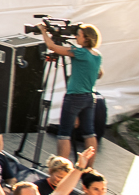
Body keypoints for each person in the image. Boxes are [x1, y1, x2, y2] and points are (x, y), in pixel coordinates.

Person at [37, 22, 101, 160]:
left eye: (78, 35)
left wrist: (43, 31)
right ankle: (89, 169)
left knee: (64, 133)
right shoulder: (97, 55)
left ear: (86, 38)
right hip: (90, 96)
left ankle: (62, 168)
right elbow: (100, 73)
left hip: (75, 97)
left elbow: (52, 47)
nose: (75, 37)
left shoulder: (80, 53)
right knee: (89, 133)